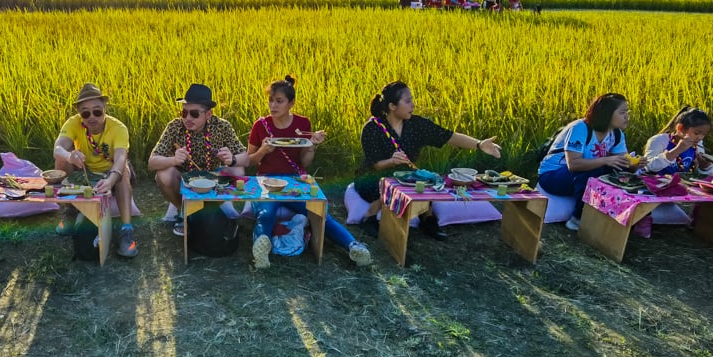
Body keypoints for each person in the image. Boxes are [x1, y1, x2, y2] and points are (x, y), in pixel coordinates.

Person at [246, 75, 372, 269]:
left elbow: (305, 162)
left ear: (291, 103)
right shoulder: (260, 125)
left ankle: (354, 246)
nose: (273, 105)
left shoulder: (302, 125)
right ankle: (261, 249)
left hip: (296, 180)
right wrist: (263, 150)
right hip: (267, 181)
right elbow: (250, 160)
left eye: (279, 101)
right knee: (265, 213)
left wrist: (311, 145)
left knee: (319, 214)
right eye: (271, 100)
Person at [354, 81, 502, 240]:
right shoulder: (372, 127)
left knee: (426, 179)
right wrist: (391, 161)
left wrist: (479, 144)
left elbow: (449, 136)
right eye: (408, 101)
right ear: (392, 106)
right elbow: (375, 165)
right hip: (372, 177)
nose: (413, 104)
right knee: (388, 183)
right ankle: (368, 218)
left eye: (412, 100)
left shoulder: (416, 125)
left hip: (405, 175)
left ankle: (427, 219)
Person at [148, 83, 248, 236]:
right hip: (183, 178)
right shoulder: (175, 126)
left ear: (208, 114)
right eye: (184, 112)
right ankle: (183, 210)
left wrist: (232, 159)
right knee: (163, 174)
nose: (187, 118)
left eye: (194, 114)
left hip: (213, 176)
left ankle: (215, 207)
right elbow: (152, 162)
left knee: (238, 169)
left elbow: (245, 158)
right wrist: (173, 160)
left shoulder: (222, 126)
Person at [52, 83, 138, 258]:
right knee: (60, 160)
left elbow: (121, 158)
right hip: (84, 170)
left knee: (123, 171)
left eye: (97, 111)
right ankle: (69, 210)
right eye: (85, 113)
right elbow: (58, 148)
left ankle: (126, 229)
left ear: (105, 108)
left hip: (111, 170)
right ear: (79, 113)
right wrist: (70, 156)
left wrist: (111, 180)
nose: (92, 117)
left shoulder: (118, 128)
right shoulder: (74, 123)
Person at [536, 93, 631, 231]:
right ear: (607, 114)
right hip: (553, 175)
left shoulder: (616, 134)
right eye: (622, 112)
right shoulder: (580, 128)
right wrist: (606, 160)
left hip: (583, 174)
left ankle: (620, 217)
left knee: (621, 174)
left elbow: (619, 162)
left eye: (628, 112)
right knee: (593, 173)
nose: (627, 116)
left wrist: (633, 165)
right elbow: (573, 165)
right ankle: (578, 218)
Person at [643, 106, 713, 175]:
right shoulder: (658, 141)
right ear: (680, 128)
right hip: (657, 185)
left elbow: (698, 173)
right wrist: (678, 149)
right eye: (696, 133)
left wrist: (704, 166)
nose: (700, 137)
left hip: (683, 185)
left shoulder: (698, 144)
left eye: (704, 134)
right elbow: (649, 167)